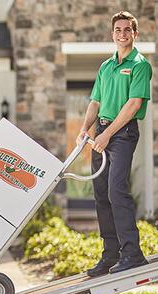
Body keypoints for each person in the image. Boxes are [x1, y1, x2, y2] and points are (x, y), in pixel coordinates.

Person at [76, 11, 152, 277]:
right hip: (101, 131)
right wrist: (86, 129)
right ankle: (110, 255)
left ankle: (132, 253)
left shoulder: (140, 64)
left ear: (135, 34)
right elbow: (95, 101)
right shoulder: (106, 67)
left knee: (116, 190)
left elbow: (133, 105)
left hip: (123, 133)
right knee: (101, 193)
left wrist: (107, 135)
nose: (122, 34)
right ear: (112, 34)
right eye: (118, 30)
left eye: (127, 30)